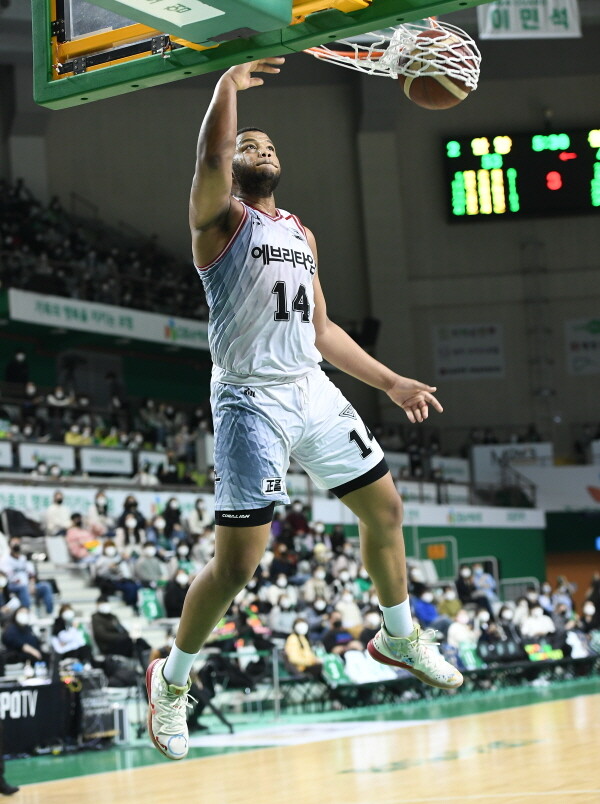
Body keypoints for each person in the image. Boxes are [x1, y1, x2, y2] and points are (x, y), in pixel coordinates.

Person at [146, 57, 462, 762]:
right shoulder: (217, 220)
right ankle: (171, 678)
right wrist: (227, 86)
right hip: (250, 400)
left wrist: (389, 381)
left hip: (310, 389)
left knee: (386, 511)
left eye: (268, 145)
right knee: (238, 566)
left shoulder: (300, 233)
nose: (259, 149)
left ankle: (399, 635)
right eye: (248, 144)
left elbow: (320, 328)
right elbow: (211, 155)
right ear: (232, 166)